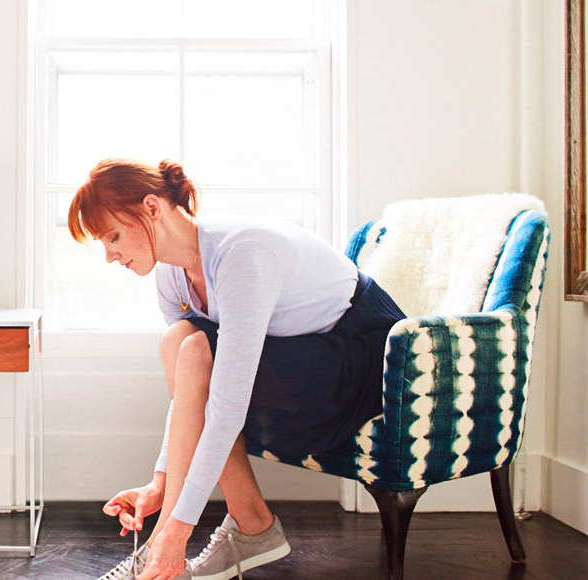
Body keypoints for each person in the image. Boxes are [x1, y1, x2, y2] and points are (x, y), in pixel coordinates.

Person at [67, 159, 406, 580]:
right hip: (297, 360)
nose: (109, 255)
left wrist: (179, 531)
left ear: (152, 207)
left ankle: (164, 546)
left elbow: (226, 405)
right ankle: (251, 523)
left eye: (113, 236)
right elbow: (189, 390)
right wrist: (159, 481)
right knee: (180, 343)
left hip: (360, 359)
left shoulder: (241, 255)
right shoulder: (171, 276)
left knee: (195, 350)